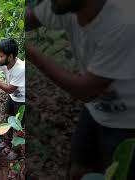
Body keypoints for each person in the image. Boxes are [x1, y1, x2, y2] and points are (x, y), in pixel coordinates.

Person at [25, 0, 135, 179]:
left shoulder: (124, 22)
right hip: (95, 109)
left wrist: (28, 52)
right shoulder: (66, 5)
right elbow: (29, 19)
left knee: (115, 174)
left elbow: (86, 91)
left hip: (128, 122)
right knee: (78, 169)